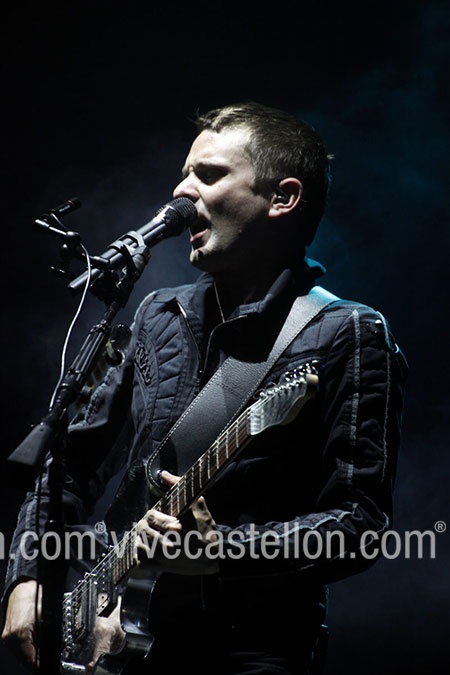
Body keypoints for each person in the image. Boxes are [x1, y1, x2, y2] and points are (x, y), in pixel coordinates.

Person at [1, 101, 408, 674]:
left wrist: (220, 553)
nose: (181, 192)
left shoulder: (348, 332)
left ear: (283, 197)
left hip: (251, 652)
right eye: (184, 173)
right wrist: (26, 580)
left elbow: (359, 523)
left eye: (209, 175)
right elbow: (69, 466)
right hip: (117, 634)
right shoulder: (157, 315)